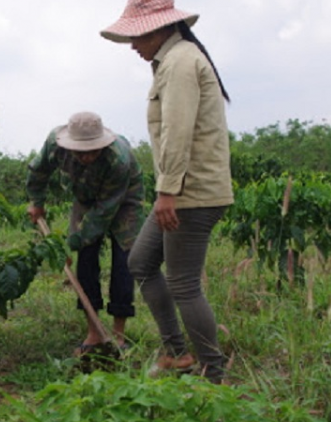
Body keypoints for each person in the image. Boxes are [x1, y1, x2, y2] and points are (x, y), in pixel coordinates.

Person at [100, 0, 234, 383]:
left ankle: (213, 372)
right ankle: (177, 352)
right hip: (185, 191)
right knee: (140, 262)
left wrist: (167, 192)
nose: (131, 45)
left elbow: (177, 134)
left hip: (191, 193)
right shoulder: (174, 61)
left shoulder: (178, 64)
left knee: (183, 282)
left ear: (155, 29)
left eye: (134, 36)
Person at [26, 111, 144, 356]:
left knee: (124, 259)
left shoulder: (117, 159)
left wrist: (75, 239)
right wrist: (37, 202)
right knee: (86, 257)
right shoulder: (54, 145)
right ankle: (94, 332)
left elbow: (106, 208)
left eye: (93, 151)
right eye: (81, 152)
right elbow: (38, 172)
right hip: (85, 197)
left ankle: (119, 335)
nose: (88, 157)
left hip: (123, 200)